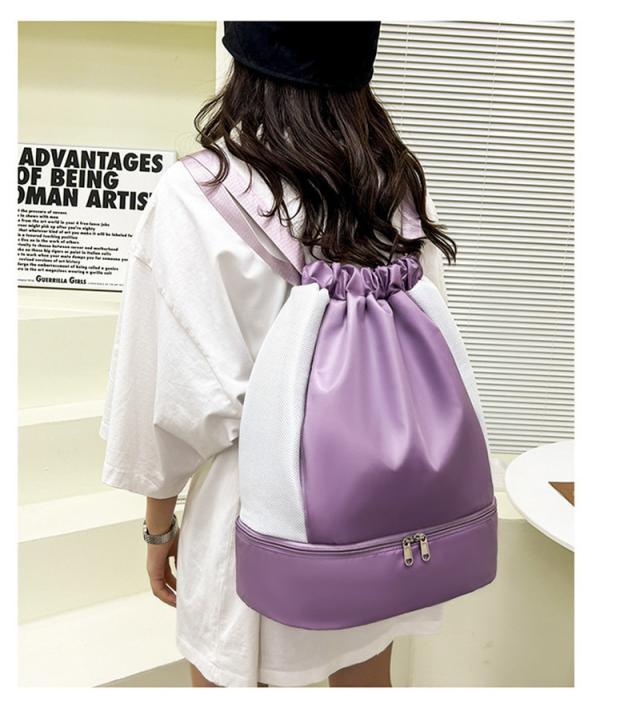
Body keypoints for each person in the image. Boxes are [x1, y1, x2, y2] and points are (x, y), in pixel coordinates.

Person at [99, 20, 456, 688]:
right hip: (374, 504)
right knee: (365, 679)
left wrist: (158, 526)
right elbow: (426, 343)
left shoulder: (195, 193)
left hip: (253, 515)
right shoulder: (394, 186)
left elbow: (167, 392)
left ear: (244, 61)